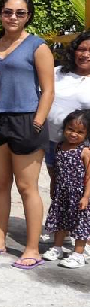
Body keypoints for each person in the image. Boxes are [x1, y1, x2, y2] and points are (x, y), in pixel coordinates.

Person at [0, 0, 54, 269]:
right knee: (0, 185)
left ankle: (32, 248)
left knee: (27, 187)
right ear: (0, 14)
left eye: (20, 13)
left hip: (27, 120)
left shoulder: (38, 46)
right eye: (8, 11)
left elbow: (48, 90)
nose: (13, 17)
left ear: (28, 16)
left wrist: (37, 121)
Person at [42, 110, 90, 269]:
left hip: (79, 195)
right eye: (70, 129)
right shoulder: (59, 147)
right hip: (62, 193)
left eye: (80, 132)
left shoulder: (85, 151)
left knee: (79, 224)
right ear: (64, 129)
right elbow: (56, 171)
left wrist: (86, 197)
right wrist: (53, 186)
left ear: (86, 134)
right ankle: (57, 247)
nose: (74, 134)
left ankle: (78, 254)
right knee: (60, 221)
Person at [46, 31, 90, 200]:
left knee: (81, 188)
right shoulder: (57, 73)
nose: (85, 54)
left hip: (82, 146)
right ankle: (60, 224)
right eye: (81, 49)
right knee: (58, 185)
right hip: (51, 141)